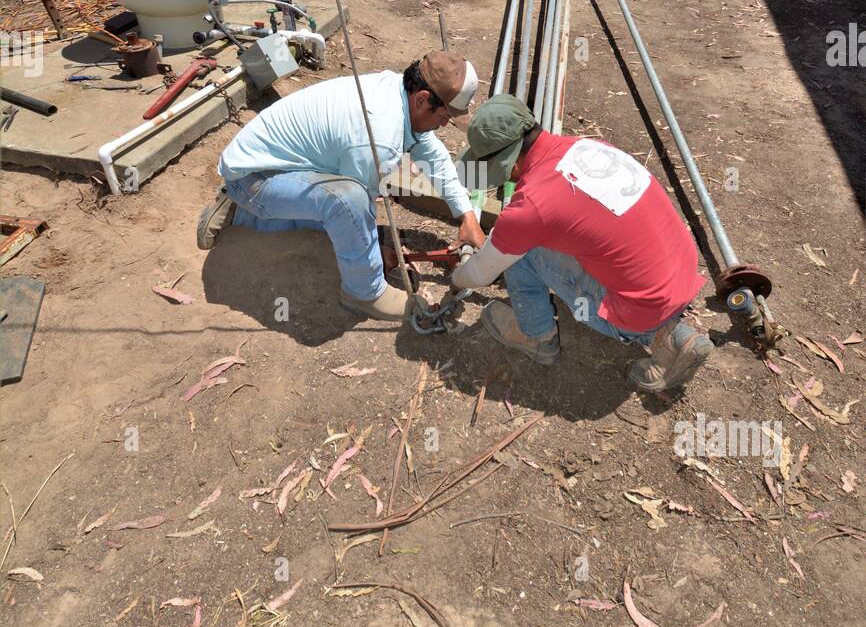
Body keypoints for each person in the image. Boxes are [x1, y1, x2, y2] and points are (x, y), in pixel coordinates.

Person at [450, 94, 712, 393]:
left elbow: (480, 274)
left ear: (508, 166)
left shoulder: (532, 206)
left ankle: (537, 337)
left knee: (521, 254)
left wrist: (457, 277)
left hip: (641, 306)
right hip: (680, 275)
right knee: (544, 240)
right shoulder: (584, 147)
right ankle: (671, 334)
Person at [197, 52, 485, 321]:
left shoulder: (398, 92)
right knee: (345, 201)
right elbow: (355, 203)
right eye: (444, 117)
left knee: (340, 210)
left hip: (276, 162)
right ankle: (364, 293)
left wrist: (466, 215)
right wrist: (371, 254)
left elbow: (432, 153)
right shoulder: (379, 134)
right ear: (423, 99)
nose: (443, 126)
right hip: (256, 177)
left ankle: (241, 210)